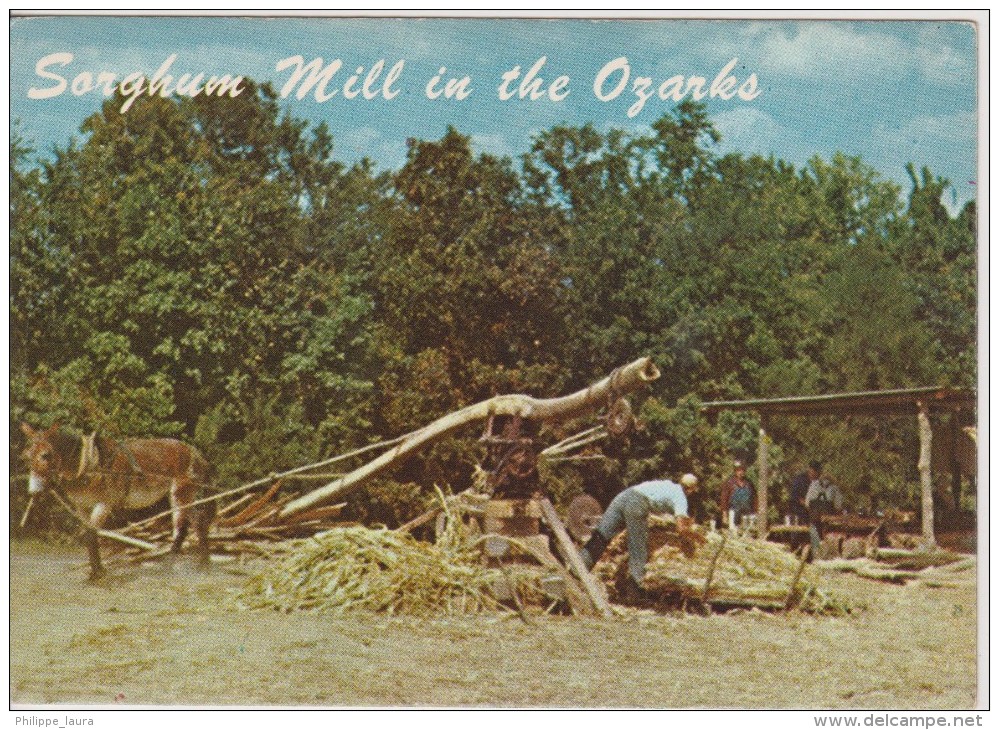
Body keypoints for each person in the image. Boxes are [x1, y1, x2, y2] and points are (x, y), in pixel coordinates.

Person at [580, 473, 702, 599]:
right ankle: (634, 591)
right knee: (638, 547)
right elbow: (681, 528)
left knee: (600, 537)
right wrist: (697, 537)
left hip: (623, 496)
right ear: (691, 489)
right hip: (637, 503)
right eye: (693, 491)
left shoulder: (668, 485)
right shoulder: (680, 497)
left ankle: (576, 570)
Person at [805, 467, 843, 559]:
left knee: (815, 541)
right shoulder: (834, 488)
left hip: (814, 519)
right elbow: (838, 506)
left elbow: (807, 503)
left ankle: (816, 558)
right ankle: (827, 558)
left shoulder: (813, 485)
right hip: (828, 522)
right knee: (828, 541)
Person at [719, 459, 756, 528]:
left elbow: (754, 500)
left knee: (747, 532)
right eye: (738, 470)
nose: (741, 472)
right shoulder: (729, 483)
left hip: (746, 514)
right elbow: (724, 500)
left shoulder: (749, 483)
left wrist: (755, 514)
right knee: (734, 532)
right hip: (733, 513)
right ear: (735, 471)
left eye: (742, 470)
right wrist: (724, 516)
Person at [788, 461, 821, 525]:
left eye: (817, 471)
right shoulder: (799, 479)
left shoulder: (819, 481)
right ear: (809, 469)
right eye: (813, 470)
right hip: (799, 512)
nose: (815, 473)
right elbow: (794, 496)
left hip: (814, 513)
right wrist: (808, 504)